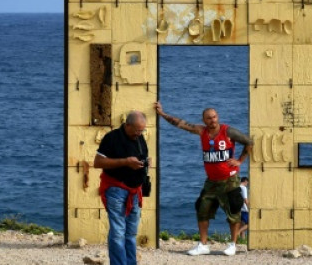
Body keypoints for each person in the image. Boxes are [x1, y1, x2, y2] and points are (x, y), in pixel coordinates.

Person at [153, 101, 252, 257]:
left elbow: (248, 141)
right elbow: (181, 124)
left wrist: (239, 161)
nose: (212, 120)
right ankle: (203, 245)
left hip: (229, 179)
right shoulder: (202, 131)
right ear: (204, 120)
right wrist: (162, 114)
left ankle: (232, 245)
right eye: (208, 118)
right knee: (201, 209)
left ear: (217, 117)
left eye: (214, 117)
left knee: (233, 210)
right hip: (211, 181)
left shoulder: (227, 131)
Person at [92, 111, 149, 265]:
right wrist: (125, 162)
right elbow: (97, 162)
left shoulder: (139, 138)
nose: (139, 133)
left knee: (131, 233)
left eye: (142, 130)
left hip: (135, 190)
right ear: (127, 125)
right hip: (116, 189)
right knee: (118, 232)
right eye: (137, 130)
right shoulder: (112, 138)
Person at [237, 176, 249, 245]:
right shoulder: (243, 188)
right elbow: (245, 199)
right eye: (247, 183)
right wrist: (249, 208)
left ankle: (242, 241)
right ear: (245, 181)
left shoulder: (237, 187)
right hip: (244, 209)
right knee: (249, 225)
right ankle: (237, 232)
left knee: (242, 225)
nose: (247, 184)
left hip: (239, 209)